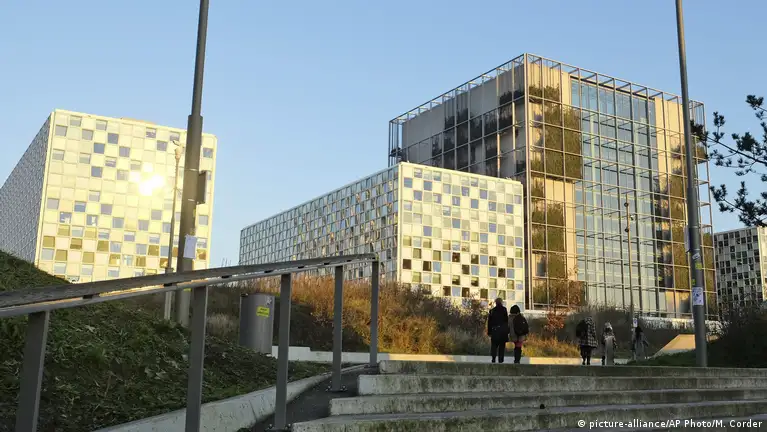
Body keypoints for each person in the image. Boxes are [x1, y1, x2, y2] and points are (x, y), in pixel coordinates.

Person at [487, 298, 509, 363]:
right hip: (502, 331)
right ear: (501, 302)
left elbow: (489, 322)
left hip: (494, 330)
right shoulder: (504, 310)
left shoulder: (492, 310)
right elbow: (506, 321)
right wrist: (507, 331)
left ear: (496, 303)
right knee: (502, 346)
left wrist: (489, 332)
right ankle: (501, 360)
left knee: (494, 345)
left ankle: (493, 358)